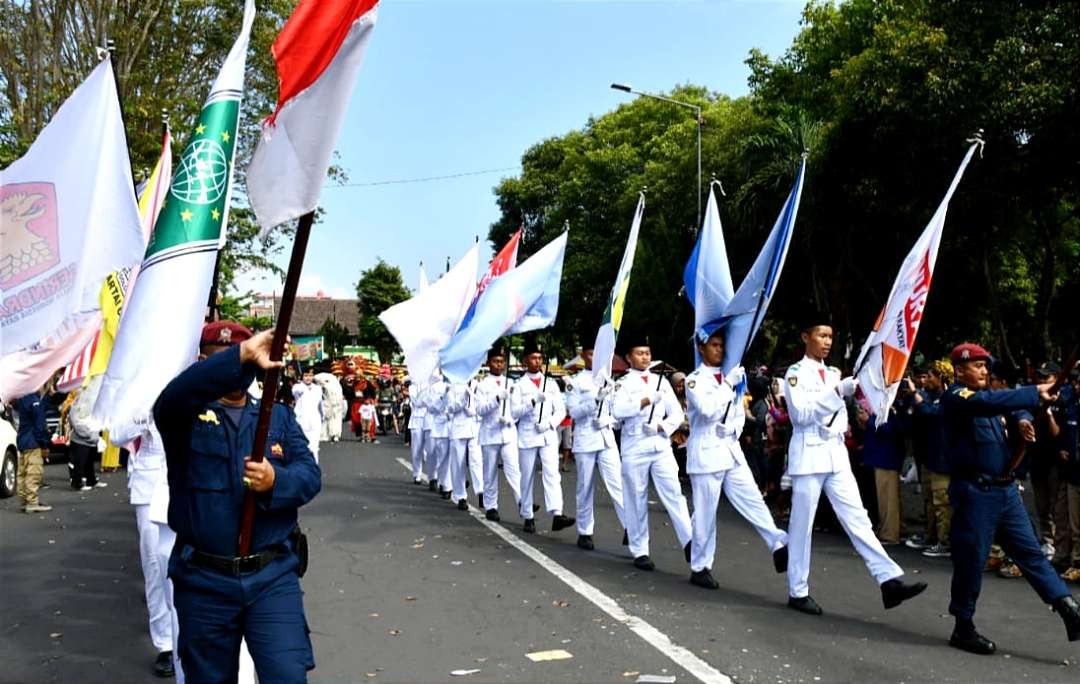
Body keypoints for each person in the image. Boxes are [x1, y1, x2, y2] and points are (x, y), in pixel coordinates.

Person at [154, 321, 321, 681]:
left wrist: (276, 480)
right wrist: (241, 353)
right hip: (204, 582)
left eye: (250, 361)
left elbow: (310, 476)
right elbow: (170, 399)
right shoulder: (183, 416)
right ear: (205, 362)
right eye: (228, 360)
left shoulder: (276, 417)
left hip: (272, 577)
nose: (242, 371)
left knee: (287, 675)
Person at [782, 313, 926, 615]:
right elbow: (801, 415)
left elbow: (843, 414)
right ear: (805, 337)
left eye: (830, 337)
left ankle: (888, 580)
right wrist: (836, 393)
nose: (826, 342)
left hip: (835, 454)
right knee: (802, 526)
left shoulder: (834, 372)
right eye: (821, 335)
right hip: (809, 453)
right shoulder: (795, 374)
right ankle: (798, 590)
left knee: (858, 519)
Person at [941, 342, 1079, 654]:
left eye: (985, 366)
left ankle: (1068, 606)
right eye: (977, 366)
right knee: (972, 561)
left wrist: (1022, 419)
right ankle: (963, 626)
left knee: (1031, 553)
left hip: (1005, 491)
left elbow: (1007, 406)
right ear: (960, 369)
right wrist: (1035, 391)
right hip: (975, 493)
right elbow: (989, 403)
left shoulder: (987, 399)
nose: (984, 371)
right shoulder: (957, 398)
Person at [684, 327, 788, 589]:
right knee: (706, 513)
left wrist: (733, 428)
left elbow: (740, 413)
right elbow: (707, 411)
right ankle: (700, 566)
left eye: (722, 345)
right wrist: (728, 384)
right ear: (701, 348)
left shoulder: (732, 376)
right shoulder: (695, 379)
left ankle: (777, 543)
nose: (719, 349)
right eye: (714, 345)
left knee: (752, 498)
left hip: (730, 449)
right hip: (706, 451)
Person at [611, 335, 692, 571]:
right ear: (628, 358)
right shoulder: (622, 383)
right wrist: (646, 400)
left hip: (659, 443)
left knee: (674, 493)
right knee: (636, 498)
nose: (644, 357)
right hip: (635, 445)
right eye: (639, 353)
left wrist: (662, 427)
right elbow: (618, 410)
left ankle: (689, 540)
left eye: (647, 353)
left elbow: (676, 413)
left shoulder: (661, 381)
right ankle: (640, 549)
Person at [110, 416, 178, 678]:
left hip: (188, 478)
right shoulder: (137, 390)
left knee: (186, 563)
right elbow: (117, 434)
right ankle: (165, 643)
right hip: (149, 485)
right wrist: (145, 412)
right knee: (154, 565)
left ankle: (188, 633)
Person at [564, 342, 627, 550]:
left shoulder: (611, 381)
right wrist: (594, 401)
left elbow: (617, 413)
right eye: (591, 354)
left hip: (606, 438)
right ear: (584, 355)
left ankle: (630, 526)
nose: (596, 358)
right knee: (585, 486)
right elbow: (573, 412)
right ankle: (585, 531)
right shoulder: (575, 381)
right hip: (586, 438)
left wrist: (609, 421)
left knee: (617, 483)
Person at [511, 339, 574, 533]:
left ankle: (556, 512)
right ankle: (528, 514)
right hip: (528, 434)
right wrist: (532, 401)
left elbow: (561, 410)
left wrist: (549, 423)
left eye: (539, 358)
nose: (537, 361)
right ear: (525, 361)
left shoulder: (550, 383)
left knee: (552, 474)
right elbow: (514, 413)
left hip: (546, 433)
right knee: (527, 475)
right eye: (533, 358)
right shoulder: (519, 385)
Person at [911, 359, 954, 559]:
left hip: (944, 460)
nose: (926, 380)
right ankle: (931, 537)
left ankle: (944, 543)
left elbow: (932, 414)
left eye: (930, 376)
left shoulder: (949, 397)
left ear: (941, 378)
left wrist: (916, 397)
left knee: (942, 504)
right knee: (930, 501)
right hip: (930, 457)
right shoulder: (931, 395)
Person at [475, 345, 522, 521]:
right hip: (490, 433)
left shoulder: (511, 383)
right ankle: (491, 506)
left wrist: (511, 419)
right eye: (495, 361)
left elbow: (516, 409)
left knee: (513, 469)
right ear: (489, 363)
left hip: (508, 432)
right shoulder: (482, 385)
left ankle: (522, 501)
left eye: (501, 362)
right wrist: (496, 399)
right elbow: (480, 409)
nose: (499, 365)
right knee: (490, 473)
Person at [14, 383, 53, 513]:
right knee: (33, 472)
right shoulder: (34, 402)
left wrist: (48, 395)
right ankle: (32, 502)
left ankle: (24, 500)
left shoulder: (22, 399)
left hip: (22, 440)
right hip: (33, 442)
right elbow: (39, 425)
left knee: (23, 472)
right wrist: (44, 445)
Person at [446, 380, 478, 511]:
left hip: (475, 428)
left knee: (477, 461)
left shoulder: (478, 384)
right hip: (458, 429)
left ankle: (481, 491)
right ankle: (461, 496)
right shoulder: (452, 386)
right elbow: (452, 407)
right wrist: (464, 396)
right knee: (458, 464)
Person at [291, 366, 323, 463]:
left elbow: (320, 405)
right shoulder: (298, 387)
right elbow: (295, 391)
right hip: (301, 420)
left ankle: (314, 466)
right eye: (306, 375)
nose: (308, 378)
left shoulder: (318, 389)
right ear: (302, 376)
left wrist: (322, 418)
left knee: (314, 447)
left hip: (315, 421)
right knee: (302, 446)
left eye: (310, 375)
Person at [407, 381, 429, 484]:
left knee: (430, 450)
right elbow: (416, 402)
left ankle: (434, 476)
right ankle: (417, 474)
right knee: (416, 449)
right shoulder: (412, 386)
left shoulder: (431, 384)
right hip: (416, 420)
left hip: (429, 419)